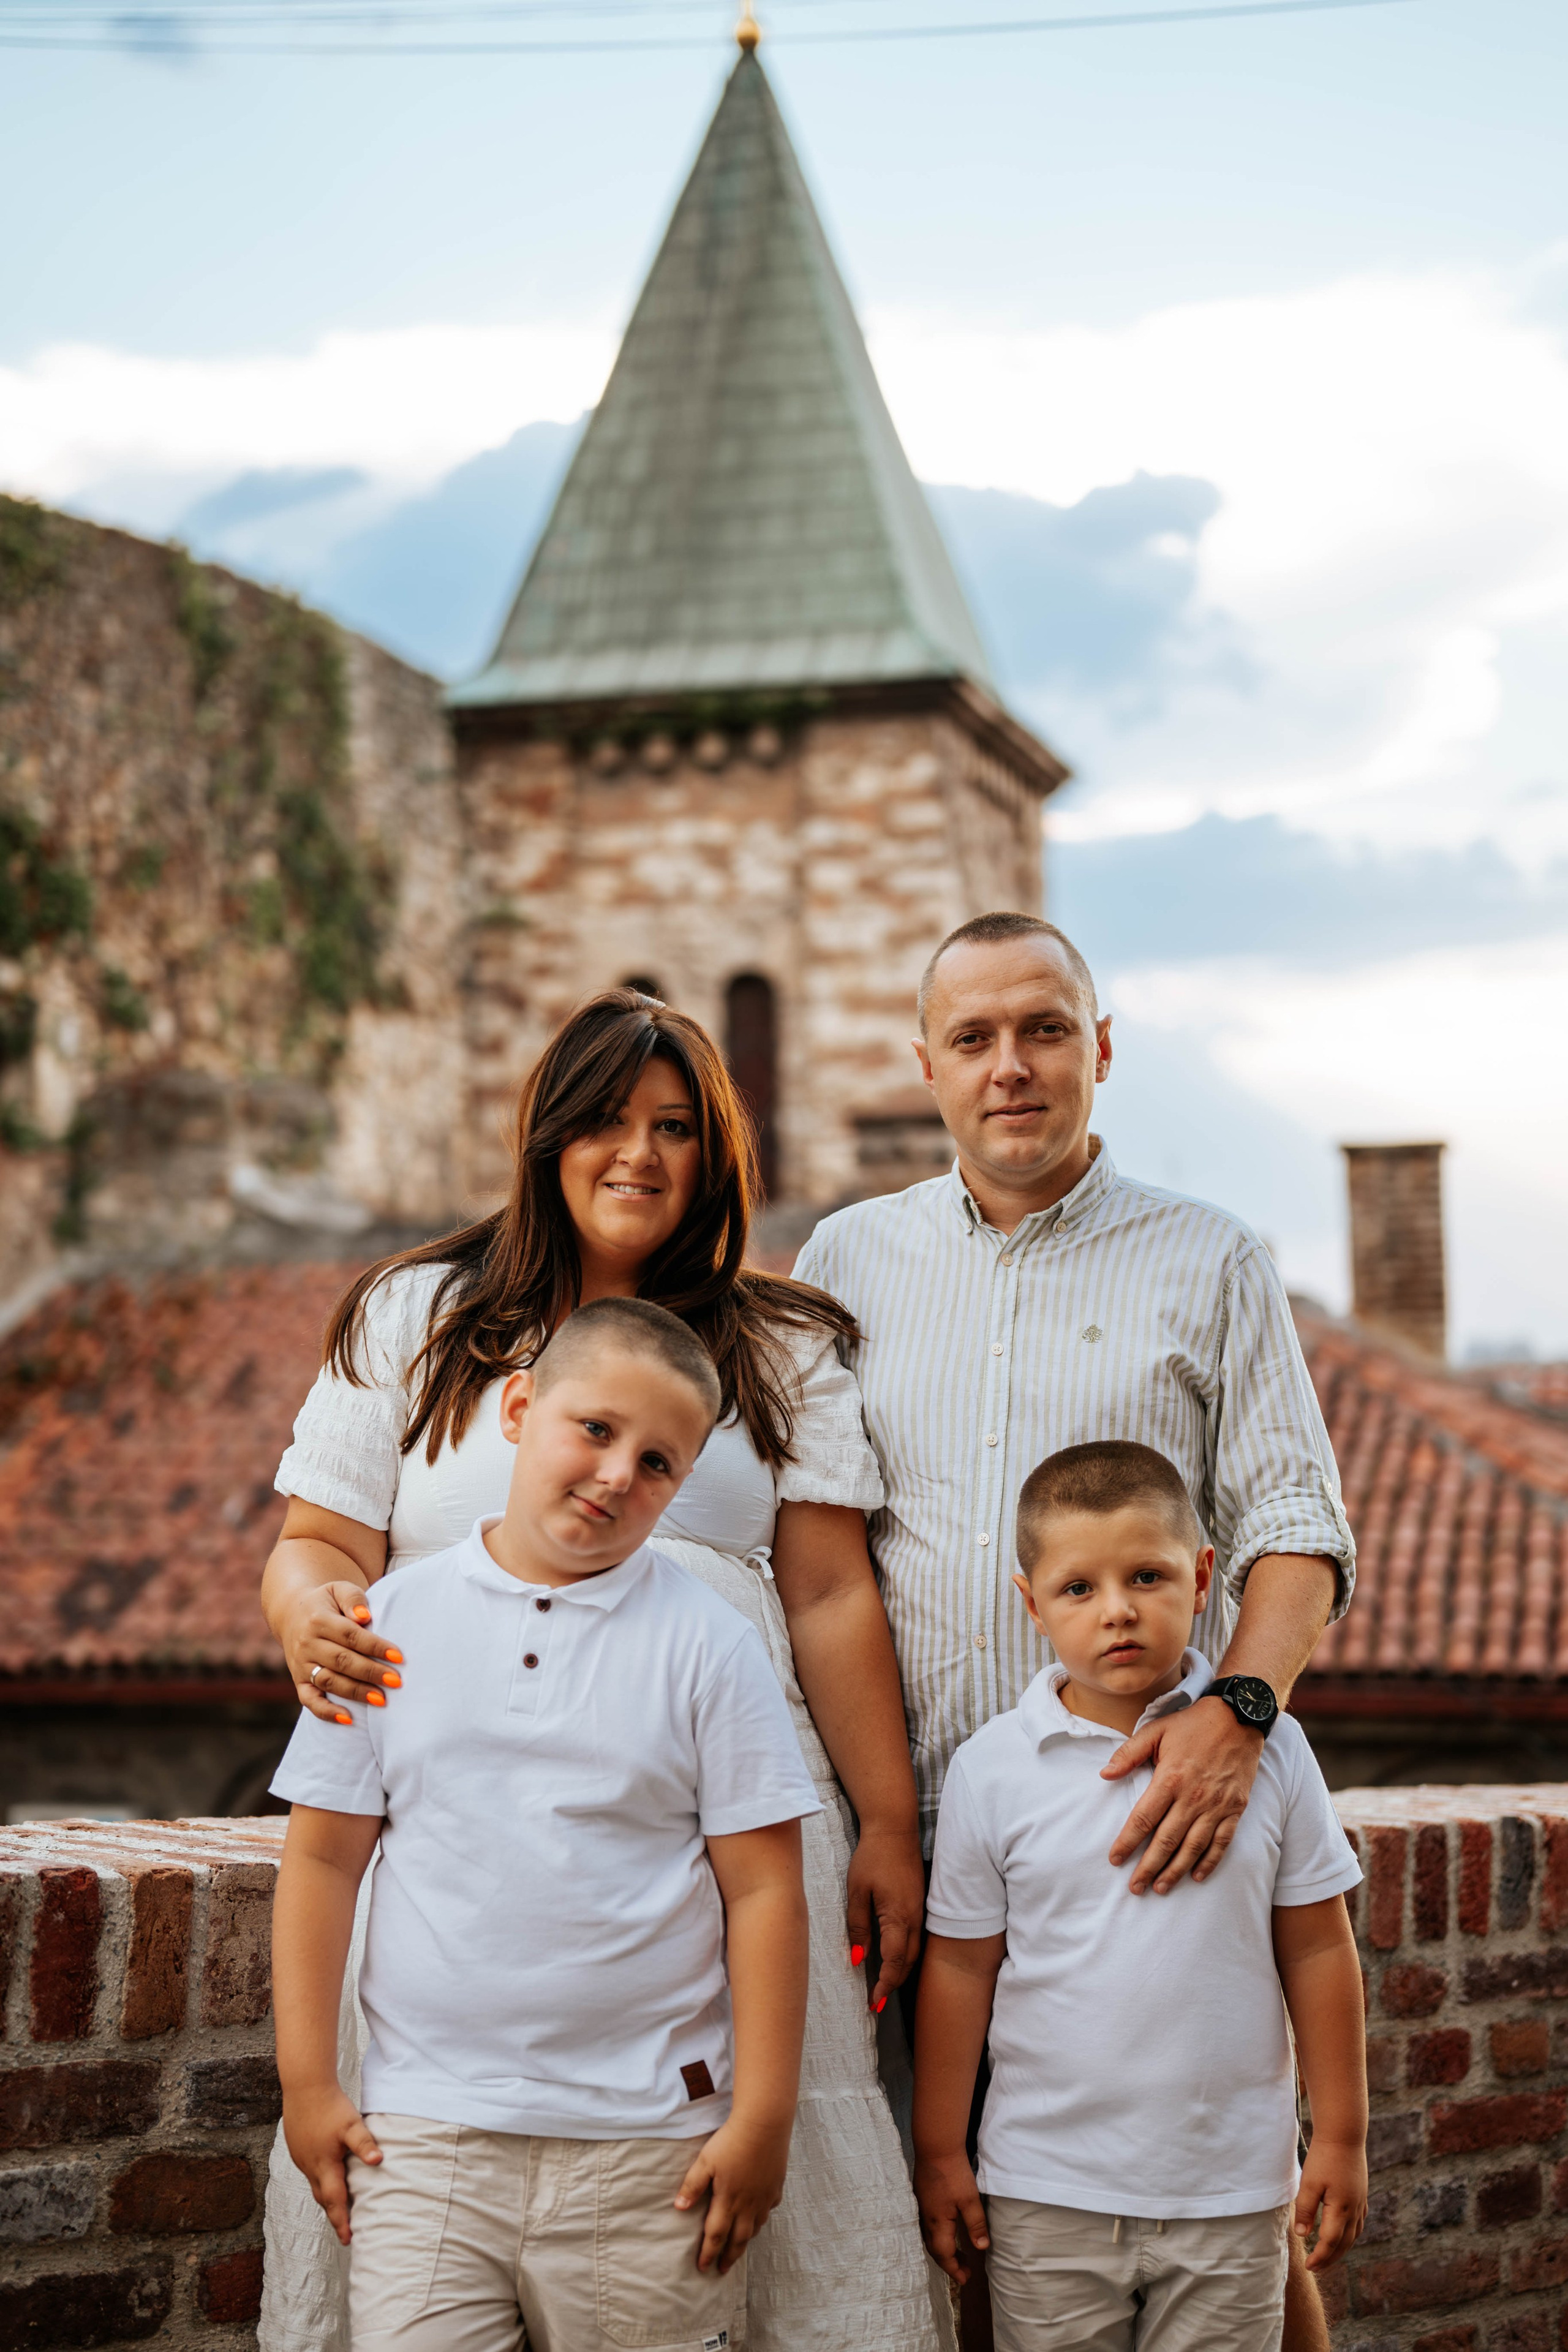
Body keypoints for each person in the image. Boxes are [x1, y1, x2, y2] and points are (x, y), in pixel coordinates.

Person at [258, 989, 944, 2352]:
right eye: (608, 1121)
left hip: (728, 1825)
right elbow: (316, 1544)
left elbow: (822, 1594)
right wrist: (303, 1617)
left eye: (677, 1129)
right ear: (546, 1132)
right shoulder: (416, 1317)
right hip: (459, 1847)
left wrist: (883, 1820)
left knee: (725, 2214)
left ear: (714, 1159)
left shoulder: (781, 1342)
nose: (639, 1154)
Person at [793, 909, 1357, 2351]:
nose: (1011, 1067)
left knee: (1220, 2229)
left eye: (1044, 1030)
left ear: (1098, 1050)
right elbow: (822, 1555)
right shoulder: (845, 1260)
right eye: (973, 1038)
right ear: (925, 1066)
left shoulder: (1212, 1258)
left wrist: (1235, 1718)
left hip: (1146, 1832)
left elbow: (1295, 1525)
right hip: (910, 1838)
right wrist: (881, 1820)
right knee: (956, 2229)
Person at [271, 1297, 822, 2352]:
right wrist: (307, 2083)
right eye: (598, 1430)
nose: (620, 1475)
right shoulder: (386, 1623)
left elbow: (764, 1891)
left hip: (648, 2152)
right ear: (520, 1408)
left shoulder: (710, 1646)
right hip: (425, 2141)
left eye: (660, 1462)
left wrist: (763, 2119)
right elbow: (324, 1862)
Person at [913, 1440, 1367, 2352]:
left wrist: (1344, 2138)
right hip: (1047, 2194)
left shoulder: (1273, 1753)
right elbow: (962, 1970)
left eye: (1148, 1576)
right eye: (1079, 1589)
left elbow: (1319, 1948)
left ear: (1203, 1580)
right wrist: (939, 2153)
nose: (1117, 1611)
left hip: (1231, 2195)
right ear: (1030, 1603)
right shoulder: (992, 1770)